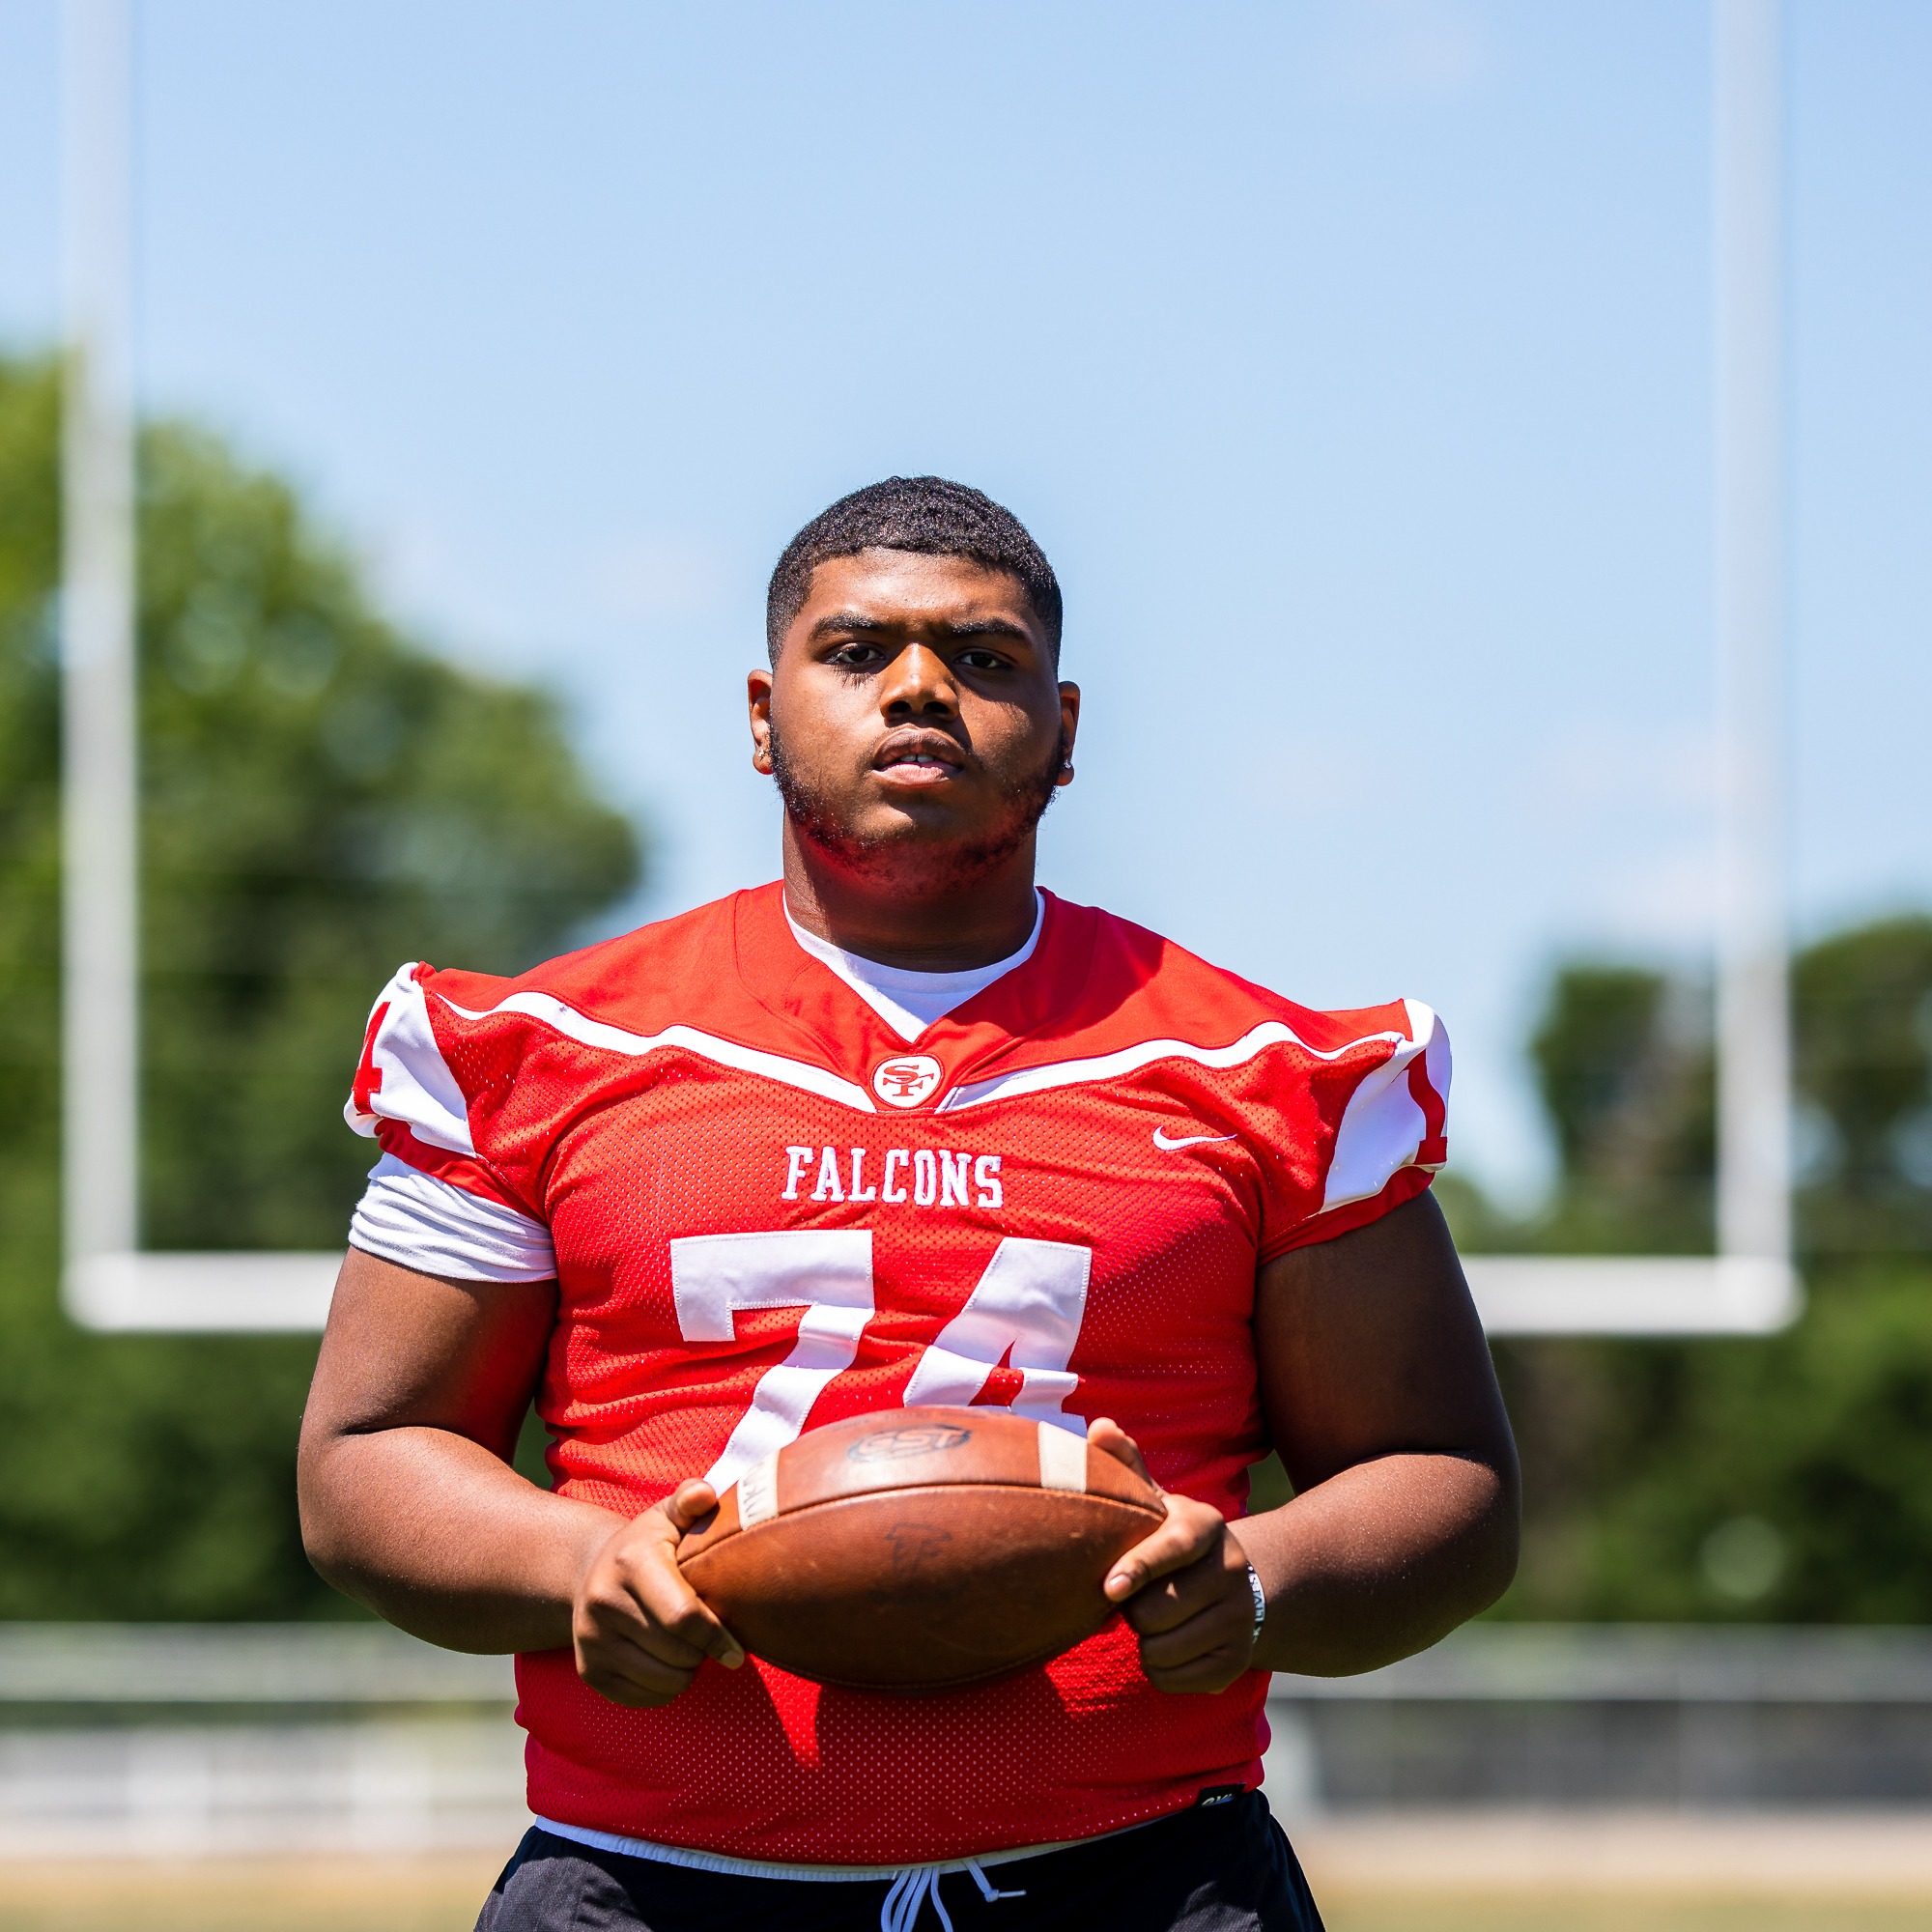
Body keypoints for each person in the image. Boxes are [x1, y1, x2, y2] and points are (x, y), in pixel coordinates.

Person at [298, 477, 1519, 1932]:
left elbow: (1446, 1476)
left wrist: (1252, 1579)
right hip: (651, 1880)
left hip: (1139, 1877)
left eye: (986, 658)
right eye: (860, 650)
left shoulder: (1270, 1073)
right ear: (763, 713)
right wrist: (582, 1565)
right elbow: (364, 1457)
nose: (922, 688)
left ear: (1065, 733)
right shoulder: (538, 1050)